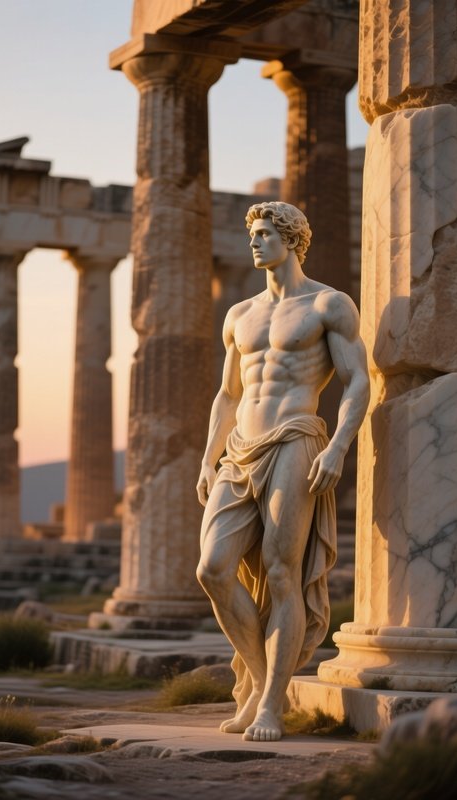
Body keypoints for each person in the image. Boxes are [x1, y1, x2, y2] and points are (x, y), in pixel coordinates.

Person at [195, 201, 369, 742]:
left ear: (291, 240)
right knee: (213, 569)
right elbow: (228, 394)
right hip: (241, 445)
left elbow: (358, 381)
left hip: (296, 437)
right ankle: (263, 678)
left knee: (279, 571)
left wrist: (339, 445)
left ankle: (270, 704)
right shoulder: (240, 315)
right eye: (253, 233)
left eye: (265, 233)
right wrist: (208, 456)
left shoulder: (328, 304)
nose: (255, 242)